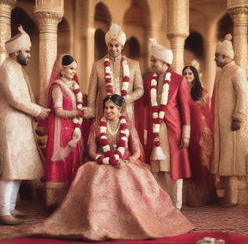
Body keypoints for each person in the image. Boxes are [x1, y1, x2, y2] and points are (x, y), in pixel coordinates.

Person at [29, 94, 194, 241]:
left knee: (127, 176)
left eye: (112, 108)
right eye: (106, 108)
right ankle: (98, 220)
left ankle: (129, 221)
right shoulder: (97, 124)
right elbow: (91, 149)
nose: (108, 111)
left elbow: (136, 149)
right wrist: (101, 158)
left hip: (125, 161)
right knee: (87, 172)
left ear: (119, 109)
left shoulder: (127, 123)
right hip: (102, 162)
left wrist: (129, 160)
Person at [0, 26, 50, 225]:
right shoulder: (7, 67)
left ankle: (10, 208)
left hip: (18, 125)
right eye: (26, 52)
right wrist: (38, 111)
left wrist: (35, 115)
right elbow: (15, 99)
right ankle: (3, 212)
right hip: (9, 126)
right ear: (16, 52)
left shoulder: (15, 68)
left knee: (16, 169)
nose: (29, 55)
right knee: (9, 170)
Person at [143, 38, 191, 210]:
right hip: (155, 131)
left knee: (173, 169)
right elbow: (144, 106)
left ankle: (175, 206)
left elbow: (185, 109)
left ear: (164, 62)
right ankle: (158, 205)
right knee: (156, 168)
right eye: (152, 60)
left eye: (154, 60)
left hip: (173, 131)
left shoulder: (179, 80)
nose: (152, 63)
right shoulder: (148, 81)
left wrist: (186, 132)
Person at [45, 54, 88, 210]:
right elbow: (58, 111)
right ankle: (55, 202)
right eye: (70, 68)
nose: (73, 71)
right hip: (60, 129)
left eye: (75, 69)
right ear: (61, 70)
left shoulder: (73, 85)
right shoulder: (57, 87)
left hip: (73, 128)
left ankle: (71, 201)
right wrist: (77, 113)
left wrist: (79, 115)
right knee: (61, 162)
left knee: (73, 159)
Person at [212, 34, 248, 207]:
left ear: (226, 57)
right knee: (224, 160)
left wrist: (238, 116)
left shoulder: (237, 71)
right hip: (221, 125)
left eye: (217, 56)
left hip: (232, 124)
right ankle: (227, 197)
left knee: (231, 161)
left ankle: (232, 199)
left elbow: (243, 95)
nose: (215, 58)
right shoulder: (221, 73)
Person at [87, 23, 144, 122]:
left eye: (116, 45)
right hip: (105, 112)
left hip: (126, 111)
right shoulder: (98, 65)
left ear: (122, 46)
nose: (113, 49)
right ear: (107, 45)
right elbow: (92, 91)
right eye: (110, 45)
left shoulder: (134, 65)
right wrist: (91, 109)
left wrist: (127, 98)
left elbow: (140, 89)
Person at [182, 64, 216, 206]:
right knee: (189, 161)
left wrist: (206, 132)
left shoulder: (202, 92)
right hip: (186, 130)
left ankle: (202, 198)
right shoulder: (180, 91)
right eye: (185, 73)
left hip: (200, 131)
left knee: (200, 162)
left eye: (190, 73)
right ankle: (188, 198)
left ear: (195, 75)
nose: (188, 76)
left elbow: (207, 114)